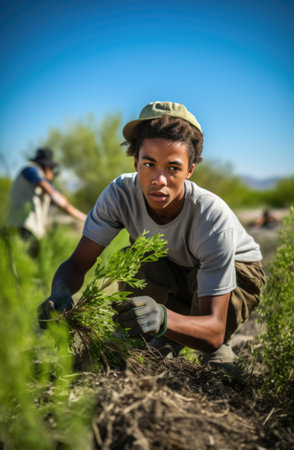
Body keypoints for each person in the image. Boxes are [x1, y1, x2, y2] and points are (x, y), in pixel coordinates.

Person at [38, 101, 266, 367]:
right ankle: (160, 338)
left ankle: (193, 342)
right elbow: (77, 264)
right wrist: (60, 292)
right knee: (138, 258)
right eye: (149, 164)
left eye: (173, 168)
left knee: (215, 357)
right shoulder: (120, 194)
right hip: (174, 269)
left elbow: (213, 330)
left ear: (190, 170)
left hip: (237, 274)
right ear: (135, 162)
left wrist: (163, 319)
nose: (159, 179)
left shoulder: (211, 216)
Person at [8, 148, 86, 255]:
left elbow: (63, 203)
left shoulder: (42, 180)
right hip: (22, 227)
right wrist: (86, 218)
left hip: (26, 229)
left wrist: (85, 218)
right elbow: (57, 198)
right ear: (47, 167)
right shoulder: (31, 170)